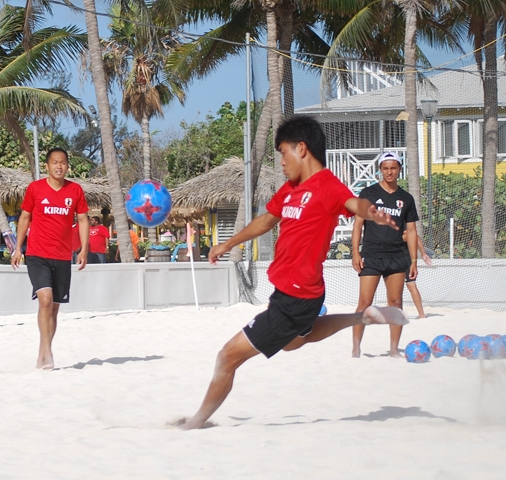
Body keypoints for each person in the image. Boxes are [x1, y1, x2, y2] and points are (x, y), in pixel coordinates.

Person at [176, 116, 409, 430]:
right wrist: (228, 242)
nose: (281, 162)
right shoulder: (289, 188)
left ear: (302, 149)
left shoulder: (326, 185)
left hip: (296, 296)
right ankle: (361, 317)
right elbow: (266, 221)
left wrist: (373, 213)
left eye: (283, 153)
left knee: (227, 357)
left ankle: (196, 422)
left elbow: (354, 203)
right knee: (294, 342)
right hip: (302, 294)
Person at [11, 148, 89, 369]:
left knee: (53, 308)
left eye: (63, 162)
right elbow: (25, 217)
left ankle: (44, 351)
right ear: (47, 166)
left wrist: (83, 249)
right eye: (55, 162)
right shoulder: (35, 189)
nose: (59, 166)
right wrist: (18, 248)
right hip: (37, 254)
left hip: (63, 256)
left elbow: (83, 220)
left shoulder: (75, 190)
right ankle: (46, 351)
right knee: (44, 300)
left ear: (67, 166)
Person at [350, 152, 419, 358]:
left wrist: (414, 260)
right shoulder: (368, 193)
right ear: (380, 169)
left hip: (397, 257)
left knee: (396, 304)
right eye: (386, 168)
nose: (390, 172)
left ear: (399, 169)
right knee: (364, 304)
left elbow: (412, 232)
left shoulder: (406, 198)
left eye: (393, 168)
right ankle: (355, 349)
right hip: (371, 257)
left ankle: (394, 350)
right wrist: (355, 252)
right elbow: (358, 225)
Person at [403, 230, 432, 319]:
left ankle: (421, 314)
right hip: (395, 257)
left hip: (404, 257)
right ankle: (421, 314)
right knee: (396, 286)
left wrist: (423, 254)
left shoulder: (402, 224)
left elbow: (415, 236)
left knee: (410, 285)